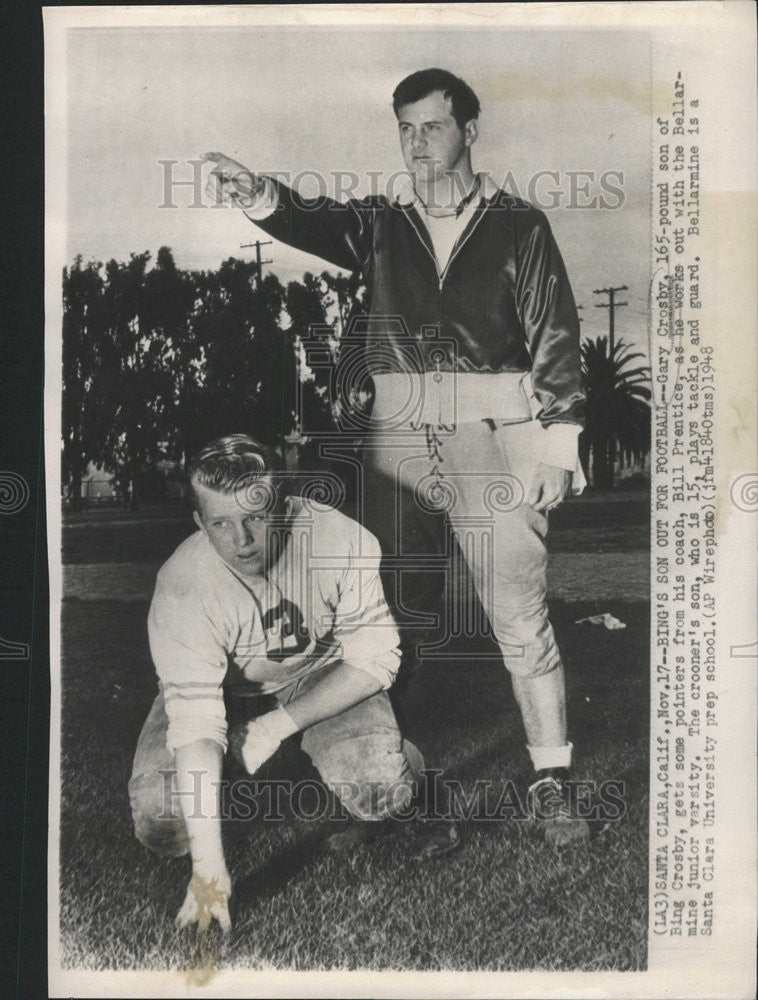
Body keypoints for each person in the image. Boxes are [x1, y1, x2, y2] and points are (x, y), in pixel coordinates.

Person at [203, 67, 590, 844]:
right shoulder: (382, 224)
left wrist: (560, 437)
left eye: (433, 126)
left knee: (518, 616)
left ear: (470, 130)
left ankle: (550, 780)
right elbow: (312, 220)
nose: (417, 143)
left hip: (496, 431)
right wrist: (258, 193)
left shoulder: (519, 225)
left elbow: (555, 333)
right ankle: (389, 780)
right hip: (400, 433)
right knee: (387, 613)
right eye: (405, 128)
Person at [129, 434, 458, 934]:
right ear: (199, 522)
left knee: (379, 789)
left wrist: (271, 729)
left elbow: (376, 660)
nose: (241, 540)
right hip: (224, 689)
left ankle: (411, 776)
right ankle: (248, 793)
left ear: (282, 505)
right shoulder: (183, 582)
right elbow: (195, 721)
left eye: (255, 517)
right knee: (162, 818)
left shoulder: (338, 539)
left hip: (320, 671)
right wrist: (210, 873)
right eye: (220, 522)